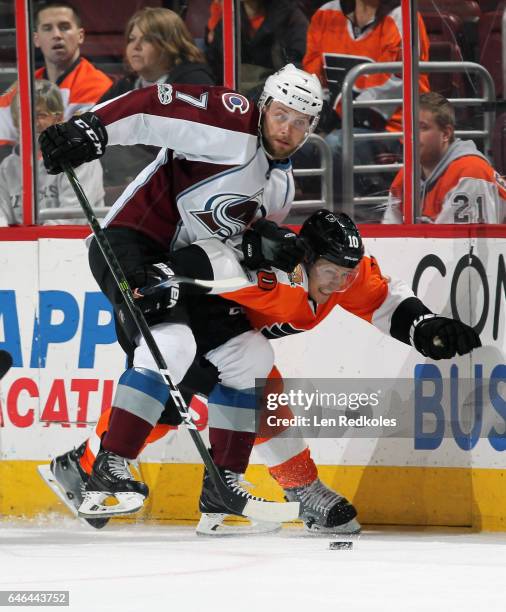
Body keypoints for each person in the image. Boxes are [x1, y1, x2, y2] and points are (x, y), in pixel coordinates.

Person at [40, 209, 481, 535]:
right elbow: (202, 261)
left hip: (224, 333)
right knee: (243, 387)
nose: (339, 285)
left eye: (347, 275)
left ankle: (83, 466)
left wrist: (424, 325)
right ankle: (298, 490)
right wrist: (149, 281)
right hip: (175, 315)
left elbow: (382, 299)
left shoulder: (340, 272)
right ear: (303, 260)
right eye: (330, 273)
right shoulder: (268, 269)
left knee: (186, 406)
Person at [38, 64, 324, 519]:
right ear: (265, 106)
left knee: (248, 358)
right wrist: (92, 128)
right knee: (172, 343)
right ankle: (108, 466)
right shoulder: (232, 121)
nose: (287, 129)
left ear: (311, 128)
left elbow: (226, 246)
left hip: (186, 274)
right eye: (281, 114)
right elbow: (154, 105)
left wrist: (259, 245)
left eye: (300, 122)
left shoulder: (281, 186)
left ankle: (222, 491)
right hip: (132, 242)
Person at [299, 0, 430, 219]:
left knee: (337, 144)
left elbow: (396, 82)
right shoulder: (326, 14)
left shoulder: (403, 17)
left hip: (395, 130)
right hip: (339, 123)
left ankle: (353, 221)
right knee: (292, 140)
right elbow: (312, 74)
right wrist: (319, 110)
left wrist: (339, 113)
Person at [98, 7, 215, 187]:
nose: (135, 46)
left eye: (147, 39)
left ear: (171, 44)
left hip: (182, 185)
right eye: (132, 39)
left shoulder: (193, 82)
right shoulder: (127, 84)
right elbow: (94, 123)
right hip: (130, 180)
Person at [0, 1, 112, 150]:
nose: (57, 35)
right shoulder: (22, 85)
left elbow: (85, 147)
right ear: (36, 39)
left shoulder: (98, 85)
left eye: (64, 27)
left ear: (80, 36)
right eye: (47, 28)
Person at [383, 92, 506, 224]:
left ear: (446, 134)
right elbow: (389, 234)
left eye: (422, 127)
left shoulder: (471, 172)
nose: (410, 136)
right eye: (406, 128)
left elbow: (462, 243)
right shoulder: (405, 176)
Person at [0, 80, 104, 226]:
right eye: (23, 115)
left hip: (75, 245)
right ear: (16, 121)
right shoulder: (7, 167)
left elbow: (74, 219)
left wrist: (31, 241)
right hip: (23, 246)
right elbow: (2, 217)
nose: (31, 122)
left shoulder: (80, 158)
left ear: (58, 118)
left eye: (40, 115)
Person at [205, 0, 309, 96]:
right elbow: (214, 62)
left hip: (277, 96)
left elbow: (298, 65)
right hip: (233, 96)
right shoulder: (229, 17)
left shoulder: (291, 16)